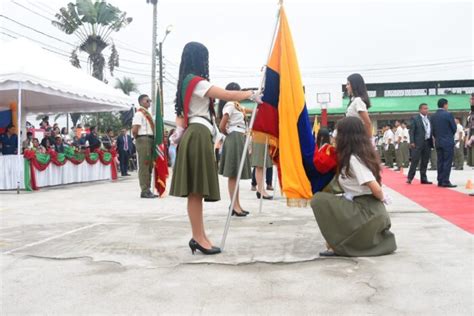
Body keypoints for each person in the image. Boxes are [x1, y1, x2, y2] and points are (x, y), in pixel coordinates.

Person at [169, 41, 261, 255]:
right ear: (199, 58)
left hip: (197, 134)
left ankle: (199, 236)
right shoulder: (195, 81)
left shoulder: (186, 83)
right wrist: (250, 94)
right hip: (199, 134)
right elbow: (226, 94)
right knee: (195, 191)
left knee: (196, 191)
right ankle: (198, 237)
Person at [311, 116, 397, 257]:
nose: (334, 136)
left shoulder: (354, 158)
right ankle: (337, 242)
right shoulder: (354, 155)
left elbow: (374, 186)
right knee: (334, 203)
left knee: (319, 200)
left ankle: (338, 243)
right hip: (364, 208)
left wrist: (383, 197)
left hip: (368, 212)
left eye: (338, 132)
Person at [218, 82, 253, 217]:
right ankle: (234, 205)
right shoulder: (230, 104)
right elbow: (222, 125)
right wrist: (229, 135)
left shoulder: (238, 106)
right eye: (238, 91)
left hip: (240, 137)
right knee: (233, 174)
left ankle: (236, 204)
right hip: (234, 137)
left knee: (236, 175)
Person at [132, 94, 156, 198]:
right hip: (143, 138)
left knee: (149, 165)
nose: (149, 102)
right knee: (144, 165)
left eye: (150, 101)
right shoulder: (139, 114)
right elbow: (135, 129)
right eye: (147, 101)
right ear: (141, 102)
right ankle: (144, 190)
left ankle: (148, 189)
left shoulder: (147, 113)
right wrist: (138, 138)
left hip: (150, 139)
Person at [431, 98, 457, 187]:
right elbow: (454, 128)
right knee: (447, 161)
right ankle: (445, 181)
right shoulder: (448, 114)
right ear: (445, 105)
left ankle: (440, 180)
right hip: (448, 141)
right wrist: (449, 135)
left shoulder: (433, 116)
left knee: (440, 161)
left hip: (438, 141)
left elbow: (432, 130)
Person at [407, 103, 433, 184]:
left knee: (425, 161)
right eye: (424, 108)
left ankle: (423, 178)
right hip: (417, 143)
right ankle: (410, 178)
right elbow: (412, 131)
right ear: (420, 110)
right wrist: (412, 141)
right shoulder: (415, 118)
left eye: (427, 108)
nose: (426, 110)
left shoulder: (429, 118)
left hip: (427, 142)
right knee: (415, 160)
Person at [345, 73, 373, 138]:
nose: (346, 86)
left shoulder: (358, 101)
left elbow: (368, 123)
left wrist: (369, 141)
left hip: (357, 139)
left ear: (355, 85)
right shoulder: (353, 100)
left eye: (348, 84)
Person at [466, 93, 474, 167]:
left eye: (472, 99)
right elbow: (469, 125)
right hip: (471, 134)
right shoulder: (471, 111)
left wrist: (472, 137)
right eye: (471, 99)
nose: (470, 101)